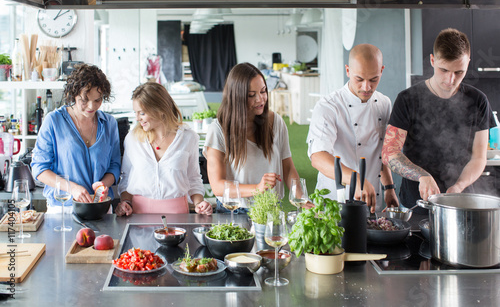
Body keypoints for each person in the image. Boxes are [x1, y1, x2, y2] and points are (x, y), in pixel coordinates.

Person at [382, 28, 495, 213]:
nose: (450, 80)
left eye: (459, 72)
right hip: (415, 203)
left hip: (461, 200)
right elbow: (389, 152)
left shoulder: (478, 101)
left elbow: (478, 157)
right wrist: (422, 176)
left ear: (468, 63)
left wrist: (458, 187)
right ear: (433, 60)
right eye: (444, 70)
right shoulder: (407, 99)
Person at [307, 44, 399, 213]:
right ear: (348, 70)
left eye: (373, 79)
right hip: (335, 201)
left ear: (382, 70)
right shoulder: (329, 106)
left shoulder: (384, 103)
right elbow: (318, 157)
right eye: (359, 79)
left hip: (372, 201)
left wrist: (389, 187)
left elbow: (380, 150)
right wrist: (356, 180)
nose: (366, 87)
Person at [203, 62, 300, 212]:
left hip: (270, 207)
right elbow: (217, 186)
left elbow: (287, 168)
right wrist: (257, 188)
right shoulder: (218, 129)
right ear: (236, 97)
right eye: (251, 95)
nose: (260, 99)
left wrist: (300, 198)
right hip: (234, 210)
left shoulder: (276, 122)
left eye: (263, 91)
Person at [31, 64, 121, 212]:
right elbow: (39, 169)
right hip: (63, 208)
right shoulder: (53, 121)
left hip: (100, 206)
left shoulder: (109, 123)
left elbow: (114, 165)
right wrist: (72, 188)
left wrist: (103, 185)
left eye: (98, 100)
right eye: (84, 100)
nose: (91, 106)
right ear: (73, 95)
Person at [115, 82, 212, 216]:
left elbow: (194, 178)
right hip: (138, 215)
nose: (137, 118)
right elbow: (125, 178)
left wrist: (199, 204)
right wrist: (126, 202)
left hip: (178, 214)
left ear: (160, 110)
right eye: (136, 113)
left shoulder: (189, 138)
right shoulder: (132, 139)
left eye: (142, 113)